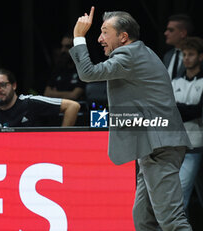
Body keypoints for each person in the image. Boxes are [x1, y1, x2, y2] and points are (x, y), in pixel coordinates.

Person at [69, 7, 192, 231]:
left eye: (105, 32)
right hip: (152, 147)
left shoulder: (128, 55)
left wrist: (79, 36)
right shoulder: (139, 52)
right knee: (144, 221)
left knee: (173, 222)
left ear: (123, 37)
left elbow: (87, 73)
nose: (99, 39)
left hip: (160, 147)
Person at [172, 36, 203, 230]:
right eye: (184, 54)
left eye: (191, 54)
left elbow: (200, 111)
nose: (187, 58)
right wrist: (186, 110)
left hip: (197, 144)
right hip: (176, 144)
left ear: (201, 57)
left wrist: (182, 109)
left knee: (185, 191)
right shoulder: (175, 81)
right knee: (198, 191)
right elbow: (171, 110)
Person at [0, 68, 80, 128]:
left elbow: (73, 106)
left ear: (14, 85)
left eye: (3, 85)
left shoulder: (30, 102)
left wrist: (63, 139)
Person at [163, 14, 203, 79]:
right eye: (184, 55)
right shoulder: (167, 56)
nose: (166, 33)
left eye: (171, 30)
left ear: (183, 33)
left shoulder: (202, 56)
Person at [44, 35, 86, 100]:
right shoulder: (58, 69)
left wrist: (54, 93)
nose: (63, 50)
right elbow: (46, 93)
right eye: (62, 46)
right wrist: (68, 94)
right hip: (57, 108)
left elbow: (74, 95)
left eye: (67, 47)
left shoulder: (83, 69)